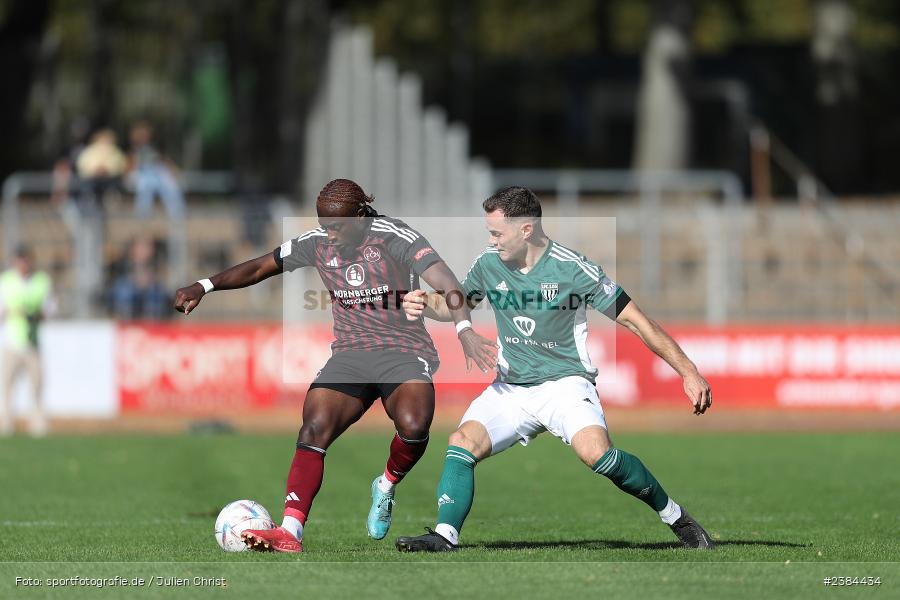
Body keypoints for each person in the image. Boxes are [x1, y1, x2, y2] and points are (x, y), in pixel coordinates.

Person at [173, 179, 496, 553]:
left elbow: (446, 281)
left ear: (360, 216)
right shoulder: (318, 242)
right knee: (314, 426)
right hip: (351, 354)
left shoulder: (394, 236)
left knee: (414, 427)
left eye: (337, 226)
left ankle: (387, 484)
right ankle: (291, 529)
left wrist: (465, 329)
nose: (330, 234)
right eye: (325, 225)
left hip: (403, 350)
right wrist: (204, 285)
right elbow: (262, 266)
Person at [395, 186, 715, 552]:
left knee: (598, 454)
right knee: (461, 443)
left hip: (565, 385)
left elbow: (638, 322)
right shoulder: (488, 263)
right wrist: (426, 303)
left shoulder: (574, 269)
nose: (491, 240)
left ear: (526, 229)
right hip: (512, 388)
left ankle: (675, 516)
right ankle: (445, 536)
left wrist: (688, 371)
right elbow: (458, 303)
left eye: (497, 232)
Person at [0, 246, 55, 436]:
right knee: (7, 386)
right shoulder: (5, 281)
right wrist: (14, 313)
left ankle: (38, 423)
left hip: (33, 343)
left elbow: (49, 309)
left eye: (26, 259)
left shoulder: (41, 281)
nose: (23, 264)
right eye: (20, 260)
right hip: (12, 343)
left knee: (37, 385)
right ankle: (6, 424)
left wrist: (36, 314)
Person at [128, 121, 185, 219]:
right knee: (145, 187)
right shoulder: (134, 151)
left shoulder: (153, 148)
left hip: (157, 174)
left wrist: (173, 171)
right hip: (144, 175)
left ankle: (177, 213)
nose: (145, 137)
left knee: (171, 186)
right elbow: (131, 166)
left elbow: (163, 161)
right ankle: (143, 216)